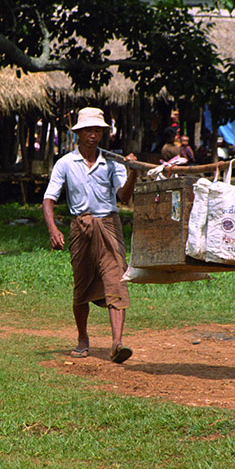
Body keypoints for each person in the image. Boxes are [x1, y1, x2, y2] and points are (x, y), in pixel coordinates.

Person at [42, 107, 138, 363]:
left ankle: (117, 342)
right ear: (78, 134)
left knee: (116, 279)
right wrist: (53, 229)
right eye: (88, 131)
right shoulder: (65, 163)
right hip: (80, 227)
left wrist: (134, 172)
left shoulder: (113, 162)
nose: (93, 136)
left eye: (97, 131)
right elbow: (49, 199)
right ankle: (83, 338)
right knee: (82, 284)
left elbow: (124, 196)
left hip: (109, 225)